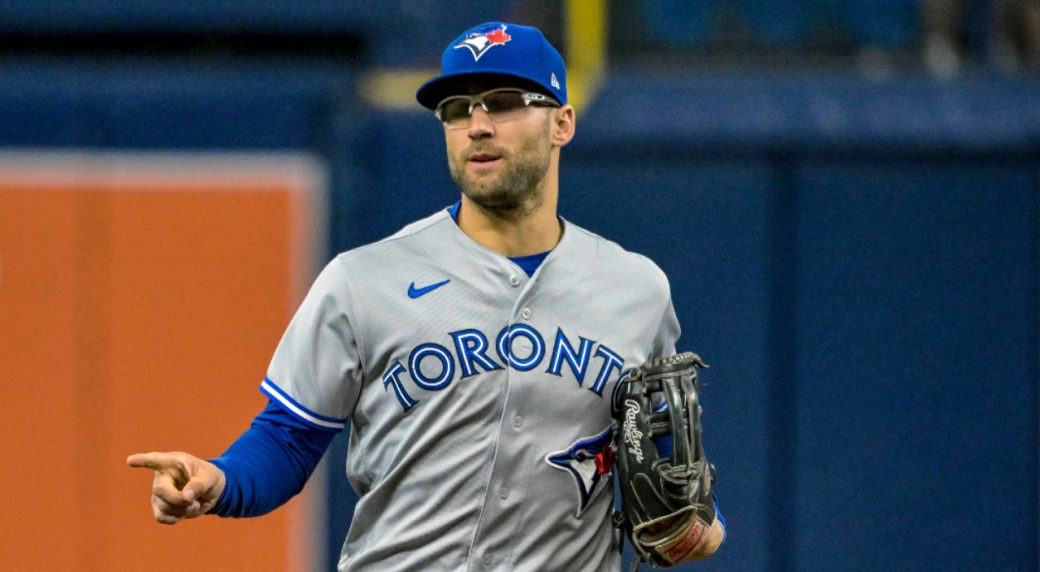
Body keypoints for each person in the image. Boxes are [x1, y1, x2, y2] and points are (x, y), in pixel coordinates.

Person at [127, 21, 725, 570]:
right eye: (457, 109)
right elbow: (290, 435)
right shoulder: (365, 279)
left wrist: (705, 525)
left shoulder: (635, 289)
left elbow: (668, 456)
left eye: (506, 103)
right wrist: (221, 480)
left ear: (562, 123)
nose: (478, 124)